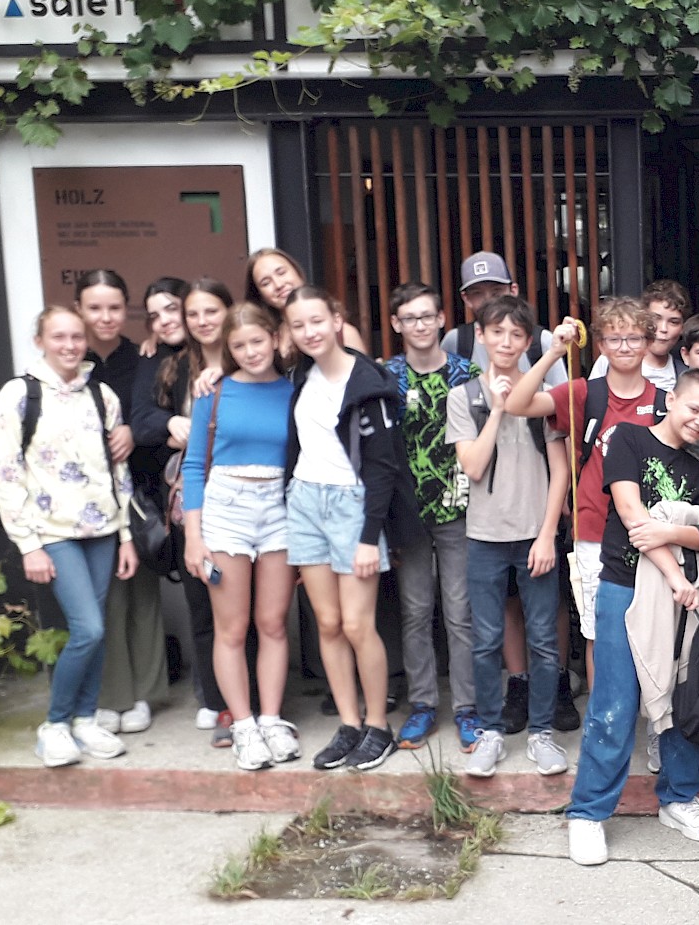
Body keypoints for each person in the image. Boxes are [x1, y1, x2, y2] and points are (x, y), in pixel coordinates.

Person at [566, 369, 699, 866]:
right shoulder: (629, 439)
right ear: (671, 399)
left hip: (681, 599)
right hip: (626, 586)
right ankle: (588, 813)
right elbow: (632, 515)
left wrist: (669, 533)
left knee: (682, 696)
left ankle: (678, 797)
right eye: (693, 408)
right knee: (614, 701)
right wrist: (675, 571)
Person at [0, 306, 138, 767]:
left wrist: (126, 535)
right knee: (87, 628)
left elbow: (118, 470)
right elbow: (6, 472)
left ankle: (85, 720)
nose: (70, 345)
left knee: (96, 629)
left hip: (103, 530)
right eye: (59, 337)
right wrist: (28, 545)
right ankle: (54, 725)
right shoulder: (19, 394)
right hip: (52, 532)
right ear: (40, 341)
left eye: (76, 336)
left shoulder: (101, 394)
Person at [283, 286, 418, 772]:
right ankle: (348, 723)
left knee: (359, 624)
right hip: (305, 502)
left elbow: (383, 468)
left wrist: (368, 537)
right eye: (298, 325)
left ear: (337, 320)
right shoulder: (301, 376)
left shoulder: (368, 381)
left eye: (317, 321)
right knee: (328, 623)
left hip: (352, 506)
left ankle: (378, 726)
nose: (309, 332)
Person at [503, 298, 666, 680]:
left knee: (653, 634)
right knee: (599, 634)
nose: (624, 347)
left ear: (648, 343)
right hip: (593, 530)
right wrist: (553, 352)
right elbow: (516, 404)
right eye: (614, 339)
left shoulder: (663, 401)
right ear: (601, 345)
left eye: (633, 338)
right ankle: (602, 714)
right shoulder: (583, 393)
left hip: (650, 530)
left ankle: (652, 714)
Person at [449, 295, 572, 777]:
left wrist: (547, 534)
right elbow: (474, 466)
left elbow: (560, 471)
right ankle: (491, 732)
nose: (505, 342)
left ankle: (541, 733)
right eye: (496, 332)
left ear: (527, 342)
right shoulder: (463, 397)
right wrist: (499, 409)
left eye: (516, 334)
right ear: (479, 335)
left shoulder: (545, 396)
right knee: (485, 640)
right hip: (484, 536)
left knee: (543, 638)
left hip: (534, 534)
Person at [180, 304, 301, 771]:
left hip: (279, 507)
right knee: (231, 628)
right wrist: (194, 537)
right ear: (228, 350)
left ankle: (271, 719)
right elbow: (194, 465)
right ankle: (244, 726)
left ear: (274, 338)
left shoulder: (294, 391)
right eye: (239, 345)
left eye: (257, 341)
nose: (250, 352)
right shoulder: (212, 392)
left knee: (273, 623)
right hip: (225, 509)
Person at [129, 278, 236, 743]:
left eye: (176, 309)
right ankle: (215, 699)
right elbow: (141, 421)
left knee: (247, 609)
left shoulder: (248, 354)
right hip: (190, 501)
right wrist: (171, 423)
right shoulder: (169, 365)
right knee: (203, 605)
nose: (196, 321)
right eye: (156, 316)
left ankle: (254, 701)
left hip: (246, 498)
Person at [381, 284, 484, 752]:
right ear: (396, 324)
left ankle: (467, 708)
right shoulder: (386, 377)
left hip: (460, 505)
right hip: (407, 511)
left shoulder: (467, 373)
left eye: (427, 316)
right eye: (410, 318)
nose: (420, 325)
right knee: (416, 611)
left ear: (442, 318)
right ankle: (422, 703)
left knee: (460, 612)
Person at [74, 270, 167, 736]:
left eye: (114, 307)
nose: (105, 317)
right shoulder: (70, 360)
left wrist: (135, 430)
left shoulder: (144, 358)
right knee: (103, 598)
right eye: (95, 308)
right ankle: (111, 696)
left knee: (142, 595)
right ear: (79, 310)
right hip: (85, 498)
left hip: (139, 493)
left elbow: (160, 416)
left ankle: (146, 694)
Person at [441, 250, 568, 387]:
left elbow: (562, 394)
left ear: (513, 290)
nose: (488, 299)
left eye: (496, 291)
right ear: (466, 298)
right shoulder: (456, 340)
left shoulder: (542, 340)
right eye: (477, 293)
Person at [245, 248, 366, 352]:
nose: (278, 284)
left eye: (281, 273)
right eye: (266, 283)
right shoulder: (266, 340)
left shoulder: (342, 333)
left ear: (297, 272)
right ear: (260, 295)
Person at [592, 282, 688, 391]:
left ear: (683, 327)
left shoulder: (683, 375)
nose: (663, 329)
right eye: (656, 318)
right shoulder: (612, 359)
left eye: (674, 322)